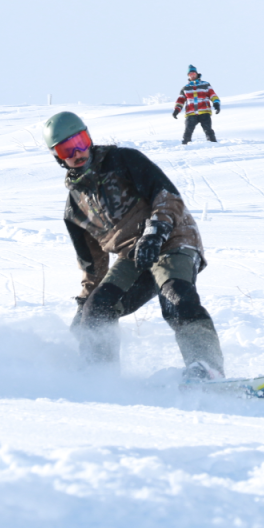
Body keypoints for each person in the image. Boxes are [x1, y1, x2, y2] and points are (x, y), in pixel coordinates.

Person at [42, 111, 225, 381]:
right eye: (66, 148)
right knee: (97, 309)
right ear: (57, 156)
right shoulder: (74, 210)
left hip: (173, 237)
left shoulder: (123, 161)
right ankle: (99, 377)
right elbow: (93, 265)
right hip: (134, 256)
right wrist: (84, 309)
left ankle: (208, 370)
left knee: (175, 295)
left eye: (80, 141)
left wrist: (156, 232)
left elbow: (167, 196)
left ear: (89, 138)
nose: (77, 152)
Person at [173, 65, 220, 144]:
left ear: (197, 74)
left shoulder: (205, 84)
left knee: (208, 129)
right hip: (191, 113)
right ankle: (185, 145)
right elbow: (180, 100)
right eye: (190, 74)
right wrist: (176, 110)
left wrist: (216, 104)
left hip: (204, 111)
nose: (192, 75)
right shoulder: (186, 88)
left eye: (193, 73)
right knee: (188, 130)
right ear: (188, 76)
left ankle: (213, 144)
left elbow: (213, 95)